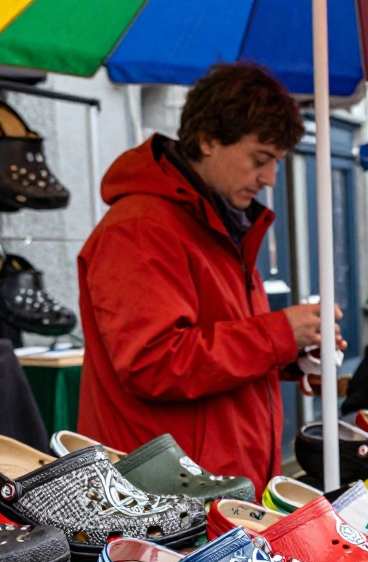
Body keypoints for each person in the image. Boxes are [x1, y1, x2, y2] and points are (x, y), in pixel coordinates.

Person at [79, 62, 341, 492]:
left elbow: (219, 346)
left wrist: (294, 352)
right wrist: (279, 334)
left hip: (211, 481)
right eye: (260, 159)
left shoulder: (220, 221)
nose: (270, 178)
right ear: (208, 141)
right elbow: (155, 363)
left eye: (275, 161)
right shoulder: (141, 227)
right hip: (168, 492)